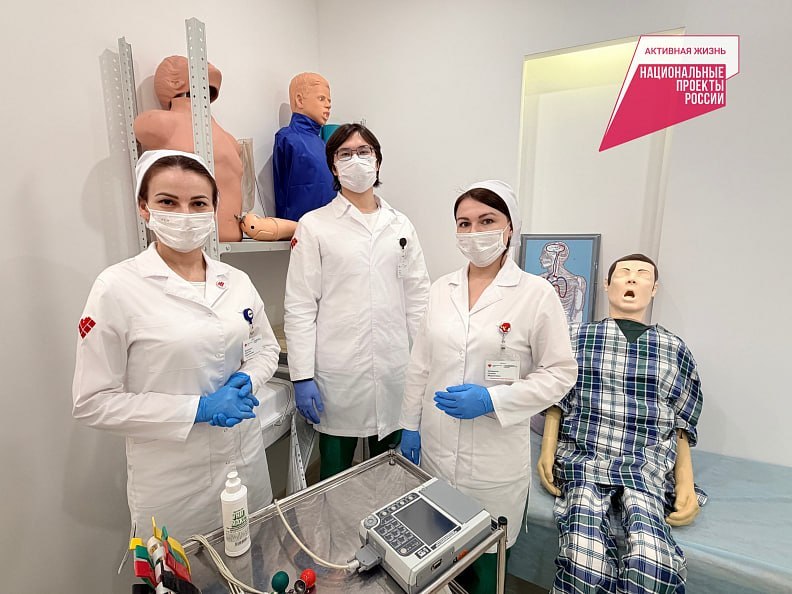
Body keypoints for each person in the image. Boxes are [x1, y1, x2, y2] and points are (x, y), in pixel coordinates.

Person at [72, 150, 280, 538]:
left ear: (213, 209)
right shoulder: (116, 288)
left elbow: (265, 347)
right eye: (168, 202)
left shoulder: (237, 282)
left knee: (255, 556)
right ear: (144, 207)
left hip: (245, 463)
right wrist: (197, 409)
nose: (185, 214)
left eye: (198, 203)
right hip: (173, 484)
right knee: (182, 568)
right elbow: (93, 402)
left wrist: (248, 379)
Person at [399, 181, 577, 594]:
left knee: (486, 567)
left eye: (486, 221)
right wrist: (408, 424)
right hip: (436, 450)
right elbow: (420, 364)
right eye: (464, 223)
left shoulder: (536, 294)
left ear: (509, 227)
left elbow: (560, 373)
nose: (474, 232)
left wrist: (493, 400)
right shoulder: (440, 289)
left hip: (493, 463)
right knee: (436, 559)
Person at [537, 254, 705, 594]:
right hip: (585, 457)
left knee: (652, 563)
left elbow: (681, 421)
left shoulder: (674, 349)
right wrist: (547, 450)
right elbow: (557, 396)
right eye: (624, 272)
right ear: (606, 284)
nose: (632, 278)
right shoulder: (575, 336)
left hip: (645, 465)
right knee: (584, 562)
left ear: (653, 289)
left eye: (642, 274)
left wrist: (685, 482)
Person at [284, 123, 430, 480]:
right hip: (339, 376)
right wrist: (301, 376)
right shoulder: (314, 225)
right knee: (334, 477)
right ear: (334, 167)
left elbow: (418, 299)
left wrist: (427, 364)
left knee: (393, 475)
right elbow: (300, 305)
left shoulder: (400, 225)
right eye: (345, 154)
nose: (356, 160)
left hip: (395, 370)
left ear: (377, 162)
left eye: (364, 152)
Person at [134, 56, 245, 242]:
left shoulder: (230, 139)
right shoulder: (158, 123)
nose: (209, 65)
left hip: (232, 238)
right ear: (174, 81)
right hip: (188, 236)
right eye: (201, 64)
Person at [272, 72, 336, 222]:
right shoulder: (288, 138)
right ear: (300, 100)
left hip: (331, 226)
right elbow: (283, 191)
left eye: (329, 101)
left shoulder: (323, 145)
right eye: (321, 98)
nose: (328, 105)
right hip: (301, 228)